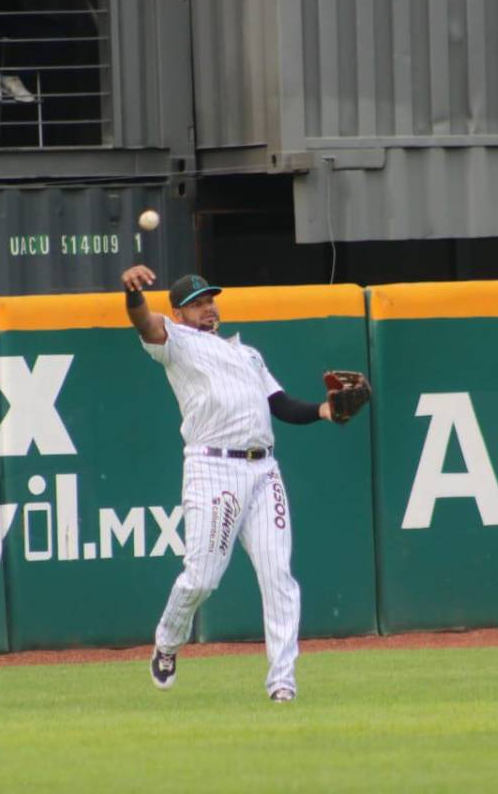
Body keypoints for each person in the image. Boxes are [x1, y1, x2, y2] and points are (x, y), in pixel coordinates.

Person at [121, 266, 335, 703]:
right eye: (198, 304)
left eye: (211, 300)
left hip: (263, 470)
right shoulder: (177, 344)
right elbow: (145, 323)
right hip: (213, 468)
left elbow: (282, 405)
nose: (208, 308)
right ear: (179, 314)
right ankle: (167, 641)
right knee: (201, 579)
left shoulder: (248, 354)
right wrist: (132, 295)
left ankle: (282, 683)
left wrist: (325, 411)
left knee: (279, 577)